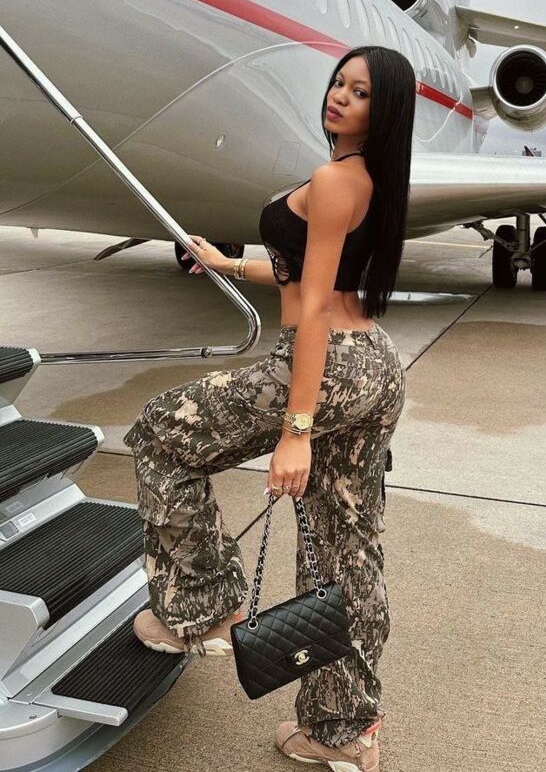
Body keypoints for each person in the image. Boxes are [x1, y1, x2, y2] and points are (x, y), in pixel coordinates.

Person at [123, 45, 416, 771]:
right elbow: (310, 275)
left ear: (385, 111)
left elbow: (312, 307)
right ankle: (342, 731)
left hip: (326, 367)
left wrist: (297, 431)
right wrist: (230, 263)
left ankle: (201, 604)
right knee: (347, 552)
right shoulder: (369, 178)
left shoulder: (336, 179)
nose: (340, 96)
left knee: (161, 433)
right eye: (339, 82)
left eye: (361, 92)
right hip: (373, 365)